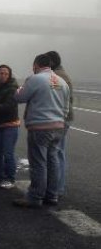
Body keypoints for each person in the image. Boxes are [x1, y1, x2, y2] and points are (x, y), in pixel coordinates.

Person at [13, 53, 70, 208]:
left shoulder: (36, 79)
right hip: (58, 126)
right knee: (53, 161)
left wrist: (19, 88)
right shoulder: (61, 81)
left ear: (36, 65)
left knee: (39, 163)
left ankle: (35, 196)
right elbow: (66, 107)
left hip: (40, 127)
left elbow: (20, 97)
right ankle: (52, 195)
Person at [45, 51, 73, 198]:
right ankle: (57, 187)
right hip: (63, 117)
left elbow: (55, 98)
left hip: (60, 118)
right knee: (59, 152)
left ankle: (56, 188)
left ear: (52, 62)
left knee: (56, 153)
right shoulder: (61, 74)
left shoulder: (57, 77)